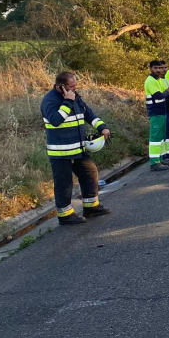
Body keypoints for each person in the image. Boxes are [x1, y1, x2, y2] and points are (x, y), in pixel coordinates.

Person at [41, 72, 111, 225]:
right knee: (64, 183)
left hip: (78, 148)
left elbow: (88, 114)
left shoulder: (75, 96)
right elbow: (55, 121)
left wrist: (102, 128)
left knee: (90, 173)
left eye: (75, 86)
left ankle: (91, 207)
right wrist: (67, 102)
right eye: (71, 86)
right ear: (61, 87)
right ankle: (65, 216)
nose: (75, 88)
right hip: (60, 151)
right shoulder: (50, 100)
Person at [144, 60, 169, 171]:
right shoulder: (150, 81)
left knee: (160, 137)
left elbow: (165, 93)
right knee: (155, 138)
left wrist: (166, 93)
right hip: (155, 112)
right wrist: (167, 92)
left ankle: (160, 159)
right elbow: (159, 96)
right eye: (156, 68)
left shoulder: (159, 80)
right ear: (151, 69)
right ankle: (154, 163)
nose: (159, 70)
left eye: (160, 68)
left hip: (162, 112)